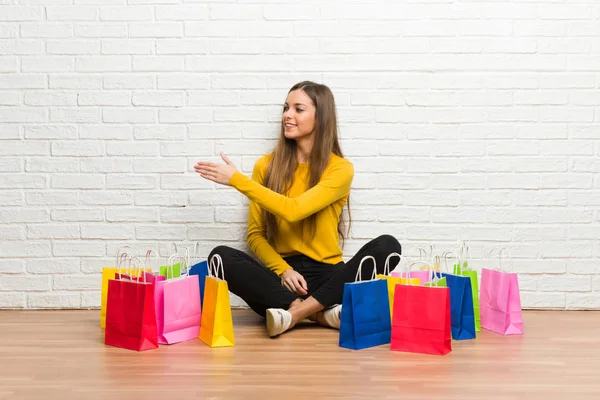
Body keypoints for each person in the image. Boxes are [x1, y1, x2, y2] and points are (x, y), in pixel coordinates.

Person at [194, 81, 402, 338]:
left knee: (388, 245)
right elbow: (255, 234)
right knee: (220, 257)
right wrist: (283, 270)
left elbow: (294, 210)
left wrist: (237, 179)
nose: (287, 115)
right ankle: (320, 313)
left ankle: (293, 315)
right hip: (282, 281)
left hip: (329, 276)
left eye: (298, 109)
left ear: (321, 116)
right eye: (286, 108)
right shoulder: (266, 166)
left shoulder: (340, 169)